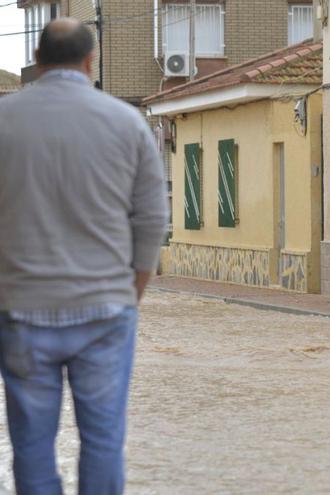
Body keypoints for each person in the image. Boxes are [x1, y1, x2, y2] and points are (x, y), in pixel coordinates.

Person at [0, 18, 168, 495]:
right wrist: (131, 293)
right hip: (106, 310)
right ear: (90, 61)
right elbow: (152, 220)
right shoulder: (126, 122)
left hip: (22, 310)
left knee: (31, 445)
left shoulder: (3, 121)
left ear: (37, 60)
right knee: (103, 441)